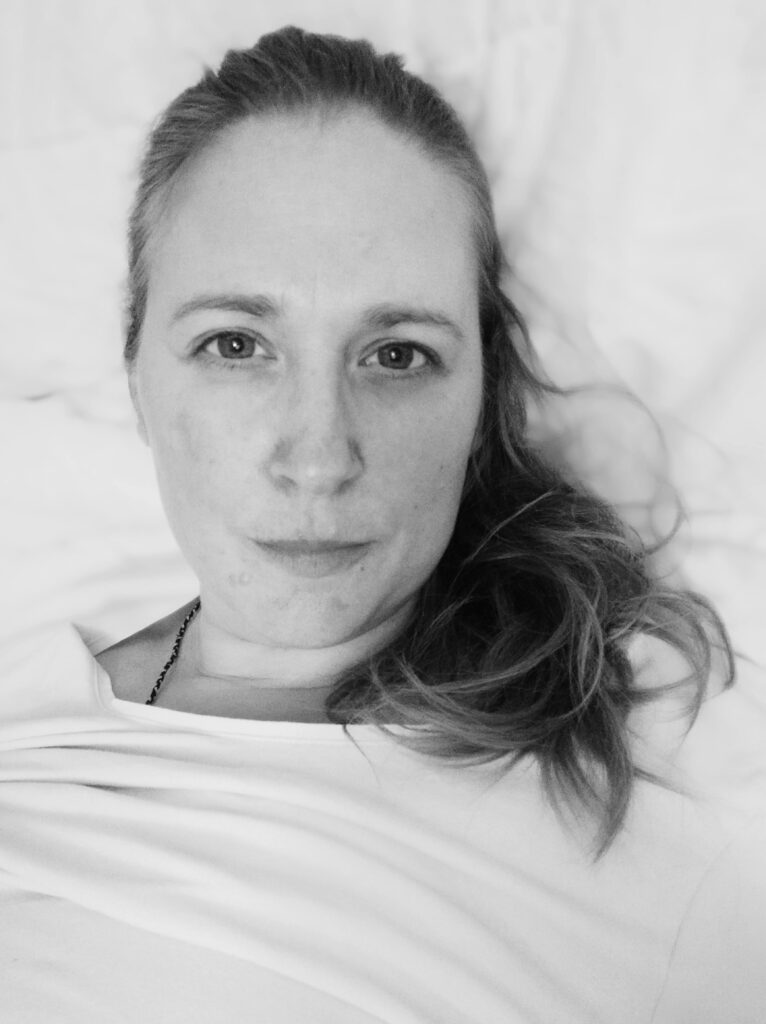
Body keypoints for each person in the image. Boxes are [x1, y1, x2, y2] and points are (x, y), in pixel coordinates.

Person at [1, 25, 764, 1024]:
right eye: (235, 345)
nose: (319, 457)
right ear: (138, 375)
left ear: (482, 397)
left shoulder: (659, 842)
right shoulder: (25, 708)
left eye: (397, 355)